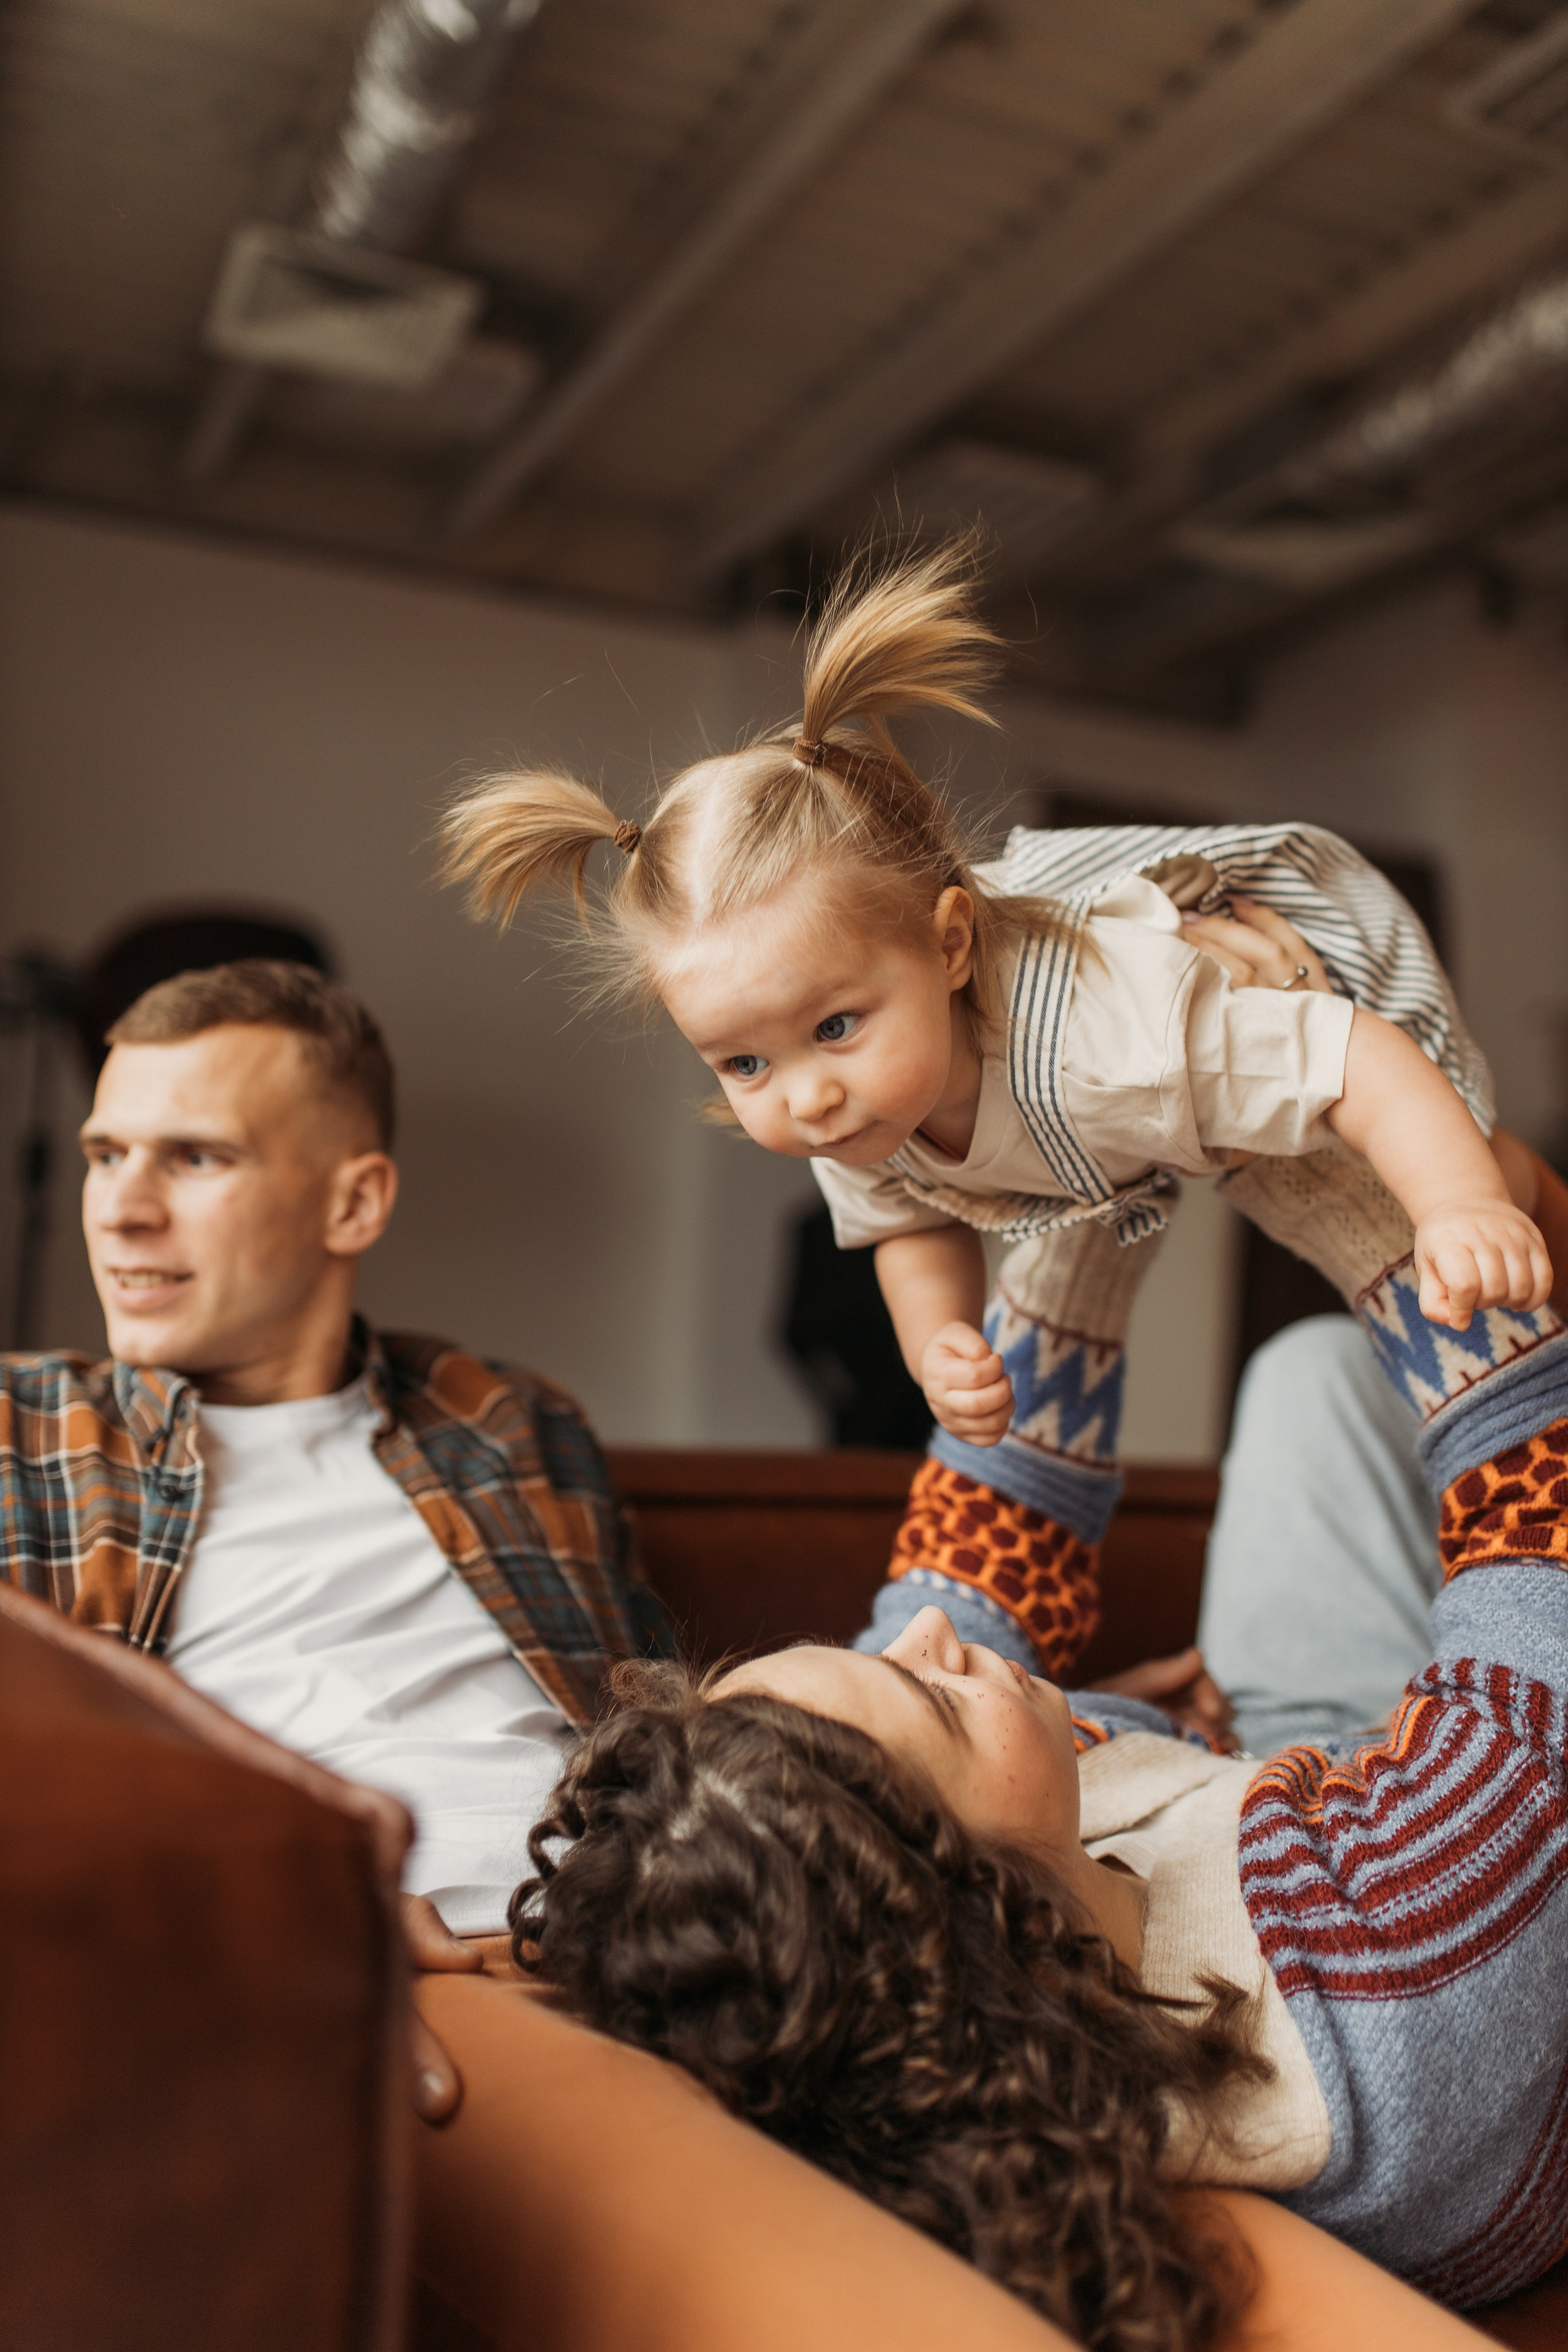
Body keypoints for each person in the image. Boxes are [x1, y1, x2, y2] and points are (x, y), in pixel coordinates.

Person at [511, 1167, 1568, 2345]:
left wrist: (1097, 1187)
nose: (931, 1637)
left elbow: (978, 1558)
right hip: (1471, 1859)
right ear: (1007, 1912)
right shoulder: (1388, 1968)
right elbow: (1539, 1557)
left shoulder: (961, 1905)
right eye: (935, 1700)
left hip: (1295, 1787)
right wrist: (1383, 1198)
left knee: (1309, 1373)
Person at [437, 543, 1548, 1501]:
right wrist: (939, 1349)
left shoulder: (1113, 1035)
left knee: (1471, 1171)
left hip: (1306, 956)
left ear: (952, 945)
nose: (804, 1097)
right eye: (741, 1062)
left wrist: (1459, 1205)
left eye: (835, 1028)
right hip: (1112, 1093)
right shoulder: (848, 1111)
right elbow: (909, 1225)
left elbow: (1360, 1057)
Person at [0, 957, 666, 2108]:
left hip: (647, 1936)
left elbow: (661, 1713)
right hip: (302, 1978)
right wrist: (279, 1905)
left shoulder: (507, 1417)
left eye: (196, 1157)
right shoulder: (24, 1435)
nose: (119, 1206)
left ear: (353, 1202)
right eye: (108, 1153)